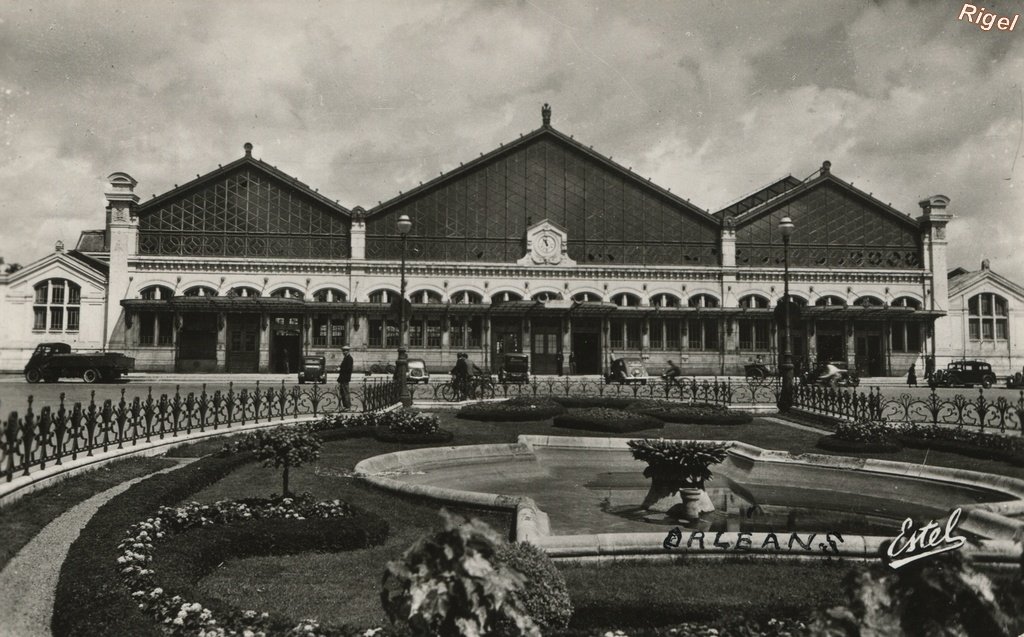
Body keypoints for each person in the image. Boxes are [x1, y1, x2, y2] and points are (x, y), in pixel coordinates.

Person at [337, 345, 353, 410]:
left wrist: (340, 369)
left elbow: (348, 369)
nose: (343, 352)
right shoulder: (346, 358)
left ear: (348, 351)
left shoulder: (349, 358)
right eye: (343, 351)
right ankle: (345, 406)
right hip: (343, 378)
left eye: (345, 351)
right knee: (343, 392)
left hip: (345, 378)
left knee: (345, 392)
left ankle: (347, 406)